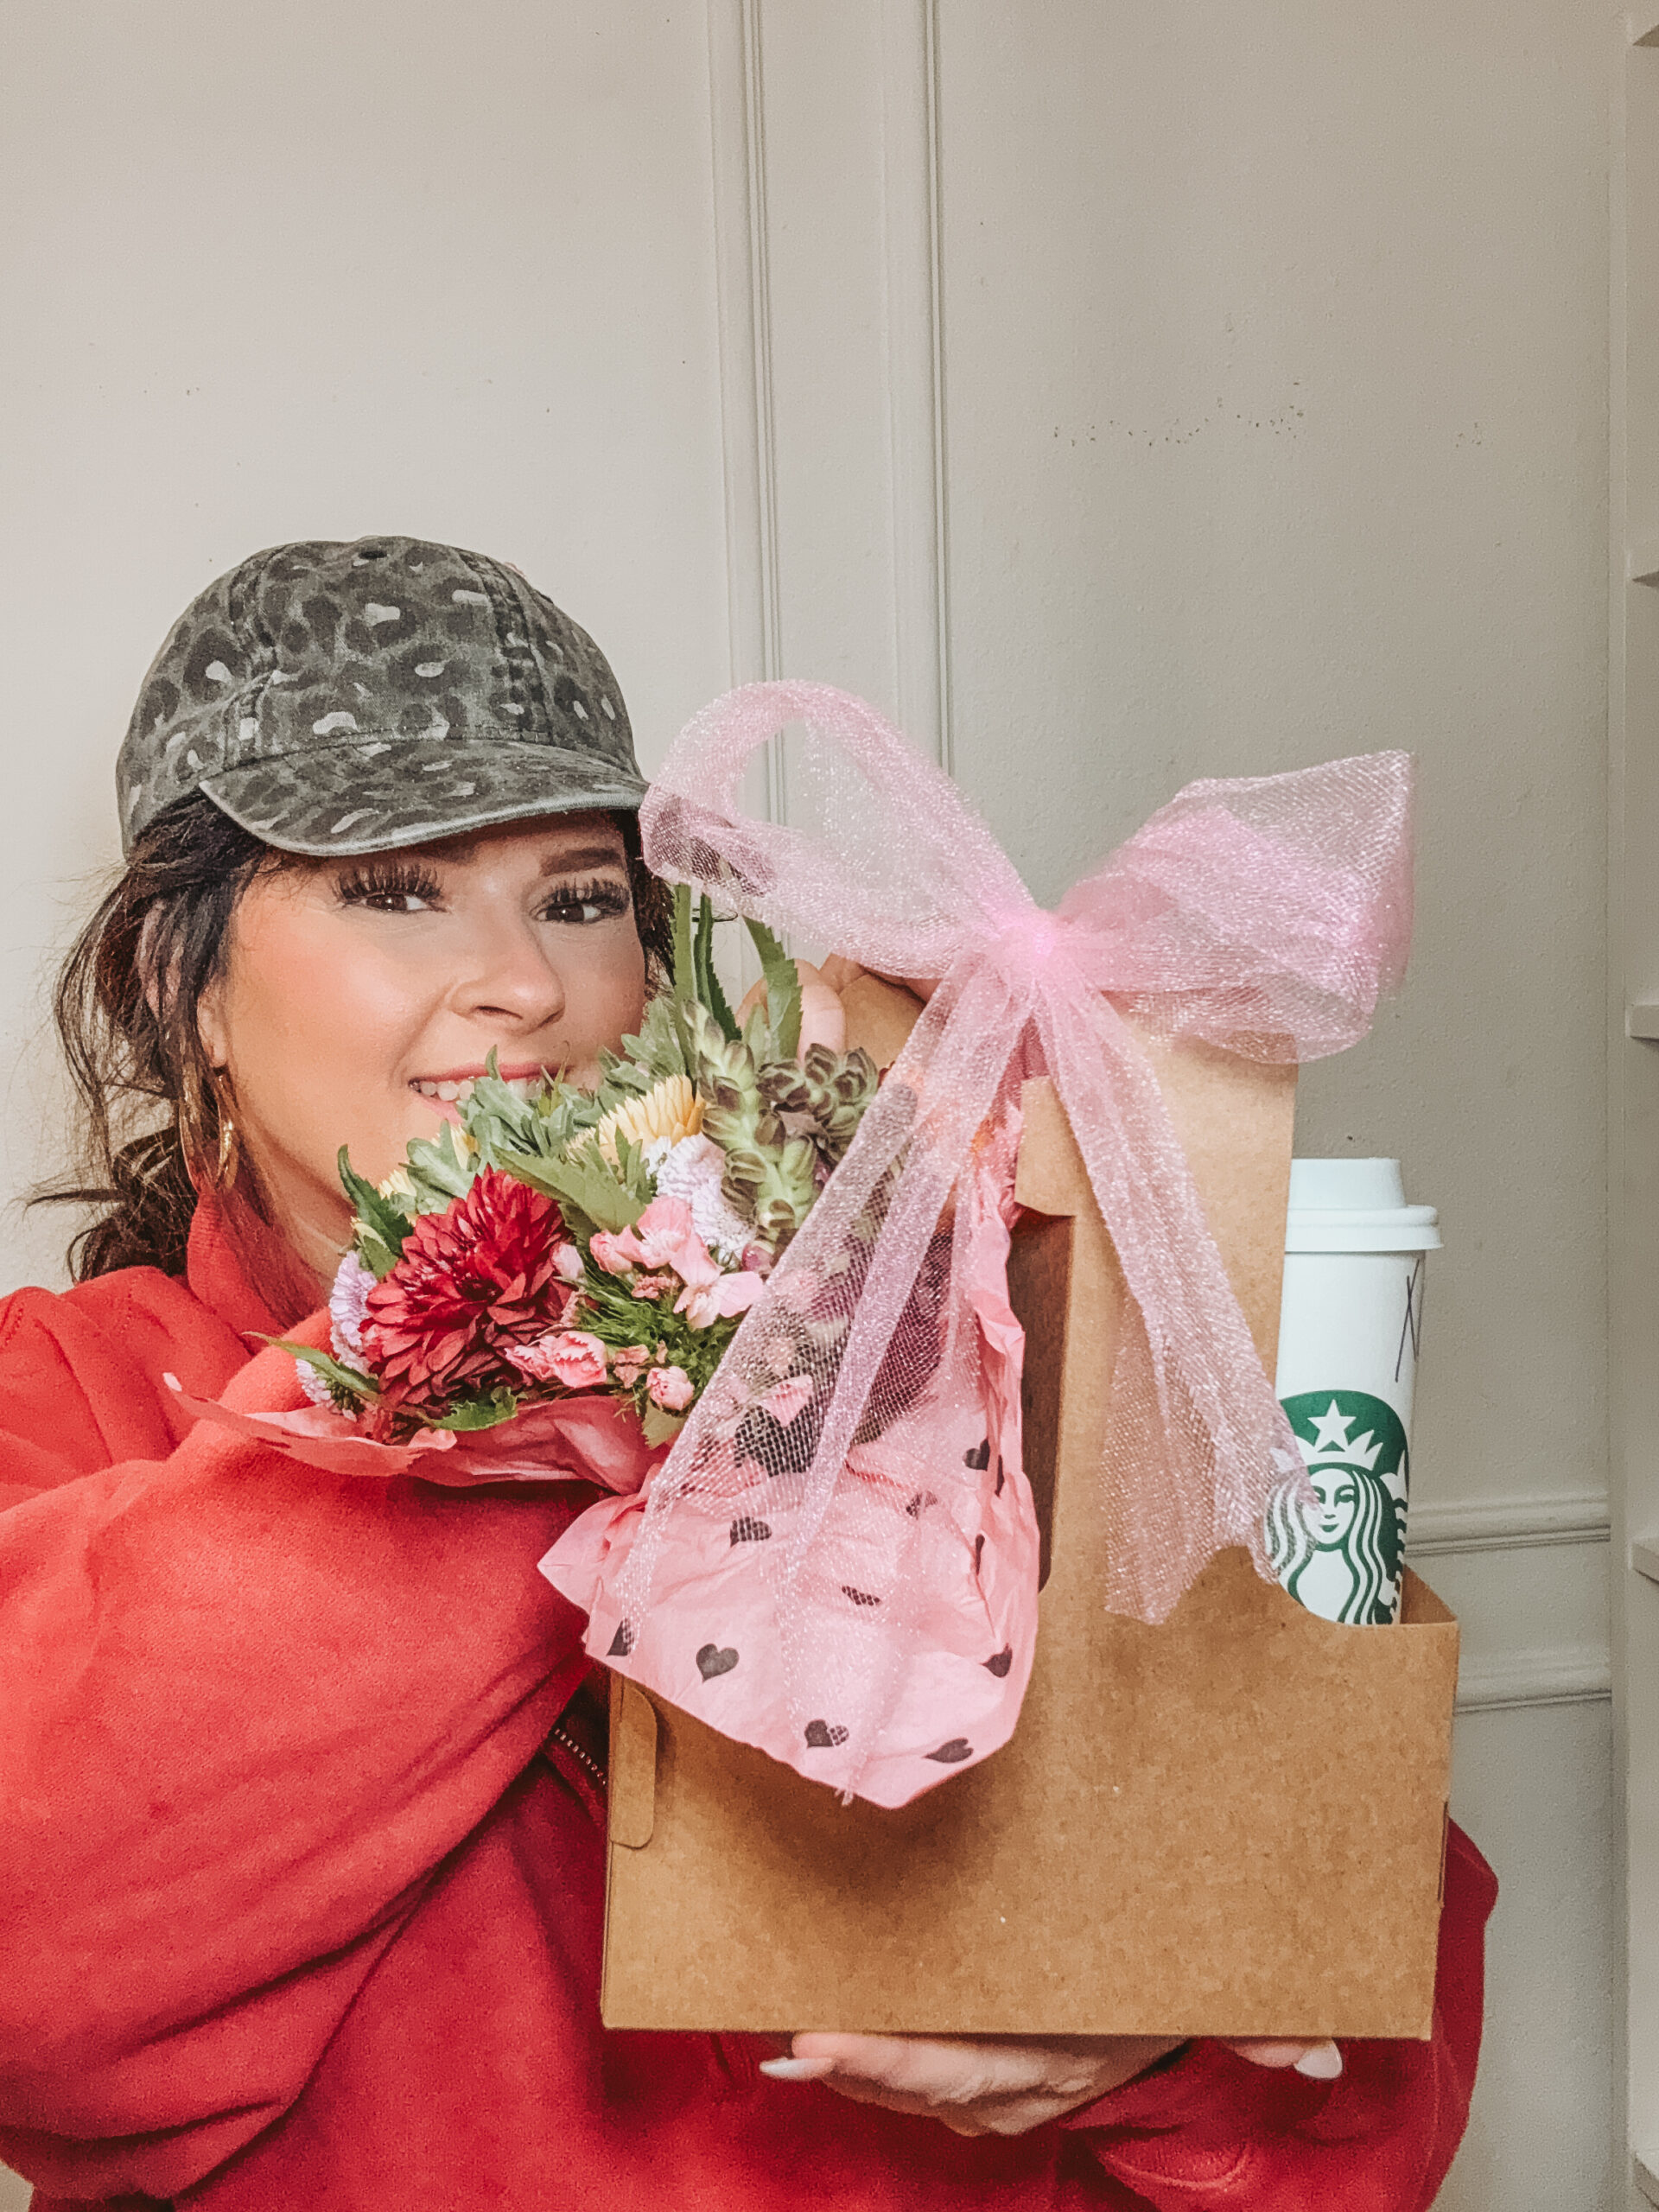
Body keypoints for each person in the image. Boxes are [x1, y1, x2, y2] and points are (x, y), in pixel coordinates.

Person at [0, 538, 1495, 2210]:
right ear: (174, 980)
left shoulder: (944, 1327)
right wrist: (593, 1351)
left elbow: (1379, 2029)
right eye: (396, 888)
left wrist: (1161, 2047)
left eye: (581, 899)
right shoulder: (64, 1398)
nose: (527, 982)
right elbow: (34, 1980)